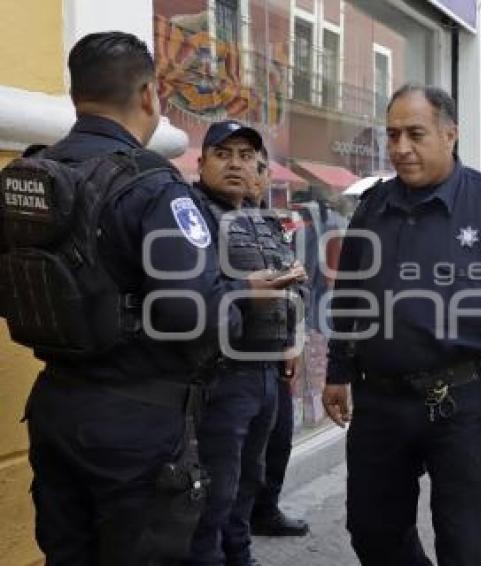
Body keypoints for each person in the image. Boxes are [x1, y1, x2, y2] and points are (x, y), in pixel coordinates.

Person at [8, 33, 294, 566]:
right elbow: (192, 312)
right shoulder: (152, 185)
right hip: (135, 420)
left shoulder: (38, 172)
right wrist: (242, 292)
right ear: (148, 96)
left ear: (78, 94)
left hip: (54, 405)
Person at [321, 84, 481, 565]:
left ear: (450, 134)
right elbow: (351, 296)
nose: (400, 148)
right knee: (371, 531)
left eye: (415, 134)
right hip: (381, 403)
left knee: (467, 543)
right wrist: (337, 370)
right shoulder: (373, 207)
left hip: (465, 404)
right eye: (392, 136)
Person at [185, 121, 307, 566]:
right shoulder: (190, 214)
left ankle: (239, 556)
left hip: (265, 369)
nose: (235, 164)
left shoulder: (260, 219)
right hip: (219, 374)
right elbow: (187, 293)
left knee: (248, 480)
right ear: (202, 163)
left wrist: (292, 335)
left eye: (244, 155)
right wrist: (249, 287)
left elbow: (293, 280)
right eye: (223, 154)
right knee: (216, 488)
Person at [248, 147, 310, 538]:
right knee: (240, 453)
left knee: (279, 438)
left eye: (260, 169)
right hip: (236, 356)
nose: (254, 176)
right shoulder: (211, 218)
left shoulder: (269, 224)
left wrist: (294, 340)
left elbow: (296, 286)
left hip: (275, 350)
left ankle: (265, 509)